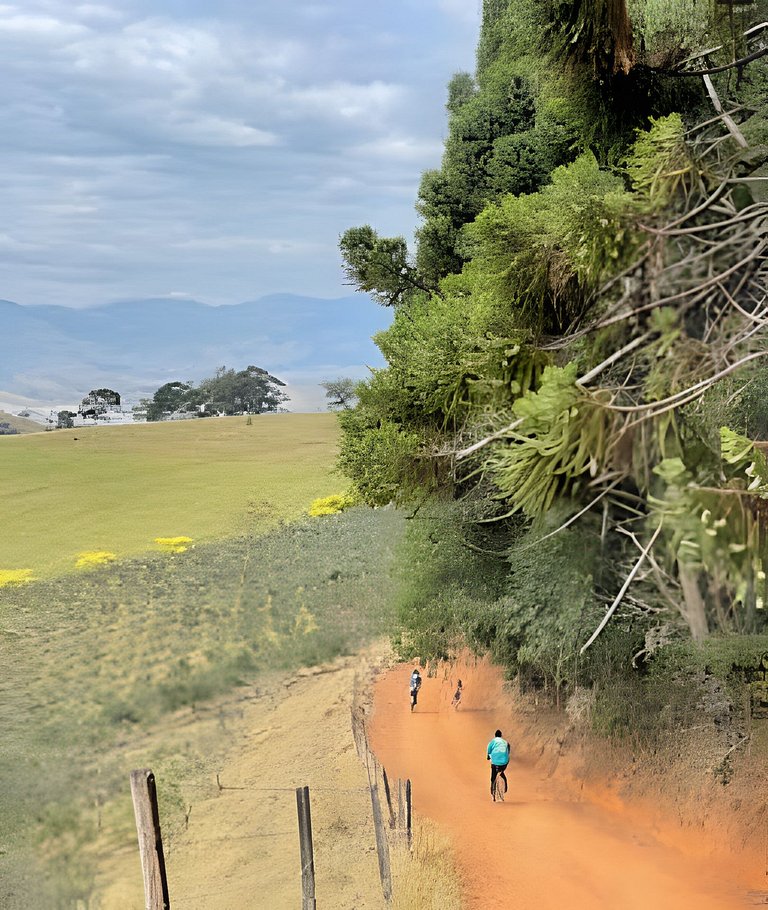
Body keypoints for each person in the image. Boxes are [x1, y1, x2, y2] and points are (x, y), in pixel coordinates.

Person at [486, 729, 510, 800]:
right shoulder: (505, 742)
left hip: (495, 761)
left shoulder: (492, 742)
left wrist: (488, 756)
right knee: (505, 762)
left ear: (495, 735)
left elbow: (489, 751)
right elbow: (508, 751)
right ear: (501, 735)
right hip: (504, 761)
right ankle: (503, 775)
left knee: (493, 773)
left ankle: (492, 787)